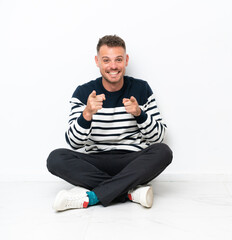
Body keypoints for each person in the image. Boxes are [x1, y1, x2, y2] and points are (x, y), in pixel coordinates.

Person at [47, 35, 173, 211]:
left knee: (163, 152)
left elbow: (158, 137)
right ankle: (129, 192)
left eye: (118, 60)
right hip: (96, 161)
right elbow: (74, 143)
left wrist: (139, 113)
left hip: (131, 161)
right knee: (55, 159)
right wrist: (87, 114)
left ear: (126, 60)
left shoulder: (141, 89)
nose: (113, 66)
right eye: (106, 60)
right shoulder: (83, 92)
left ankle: (93, 196)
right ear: (97, 61)